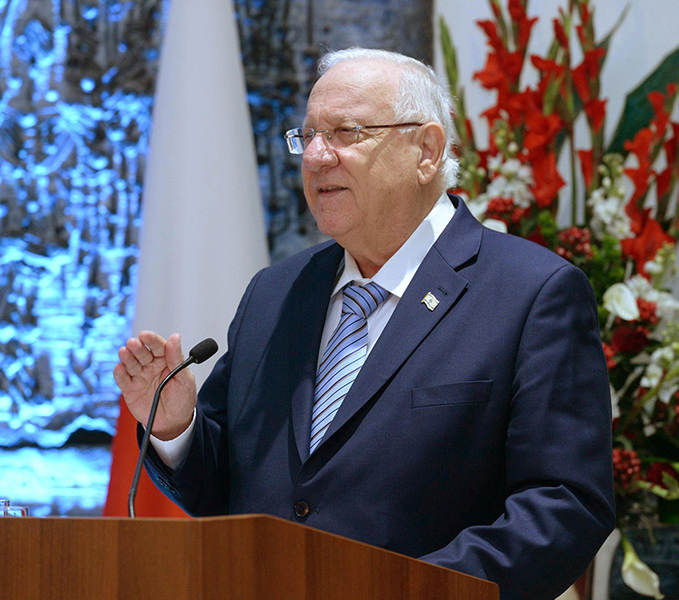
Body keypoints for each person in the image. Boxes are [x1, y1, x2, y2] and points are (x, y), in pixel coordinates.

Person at [114, 48, 615, 599]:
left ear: (426, 150)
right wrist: (174, 428)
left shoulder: (532, 293)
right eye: (307, 136)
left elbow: (565, 507)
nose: (316, 157)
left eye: (346, 133)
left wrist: (408, 590)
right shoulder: (275, 293)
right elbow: (231, 492)